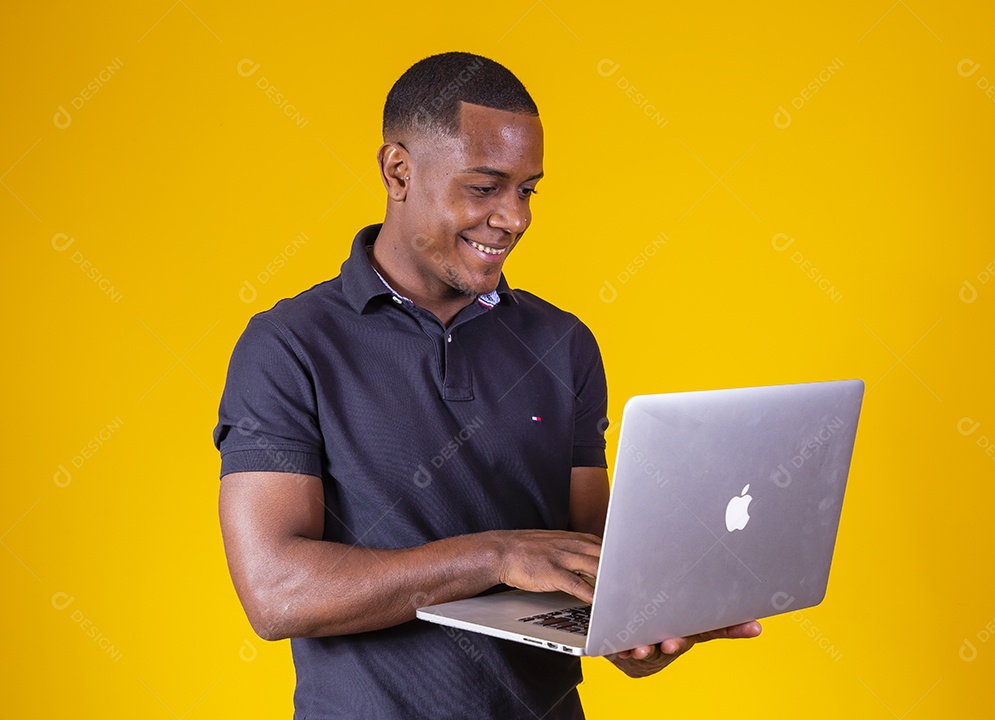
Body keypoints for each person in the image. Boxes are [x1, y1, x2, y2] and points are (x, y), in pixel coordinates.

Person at [214, 51, 761, 719]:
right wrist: (495, 555)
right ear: (398, 171)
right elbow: (276, 595)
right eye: (484, 187)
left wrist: (645, 627)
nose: (515, 217)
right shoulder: (289, 346)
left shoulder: (563, 345)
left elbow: (588, 572)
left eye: (527, 189)